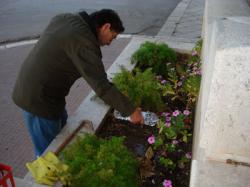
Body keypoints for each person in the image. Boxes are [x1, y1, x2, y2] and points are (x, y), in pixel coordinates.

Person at [12, 9, 144, 156]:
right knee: (49, 154)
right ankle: (45, 178)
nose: (109, 43)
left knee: (64, 138)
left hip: (47, 93)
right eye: (112, 37)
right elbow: (101, 86)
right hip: (38, 100)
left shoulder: (66, 18)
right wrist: (131, 110)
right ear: (106, 27)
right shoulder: (83, 42)